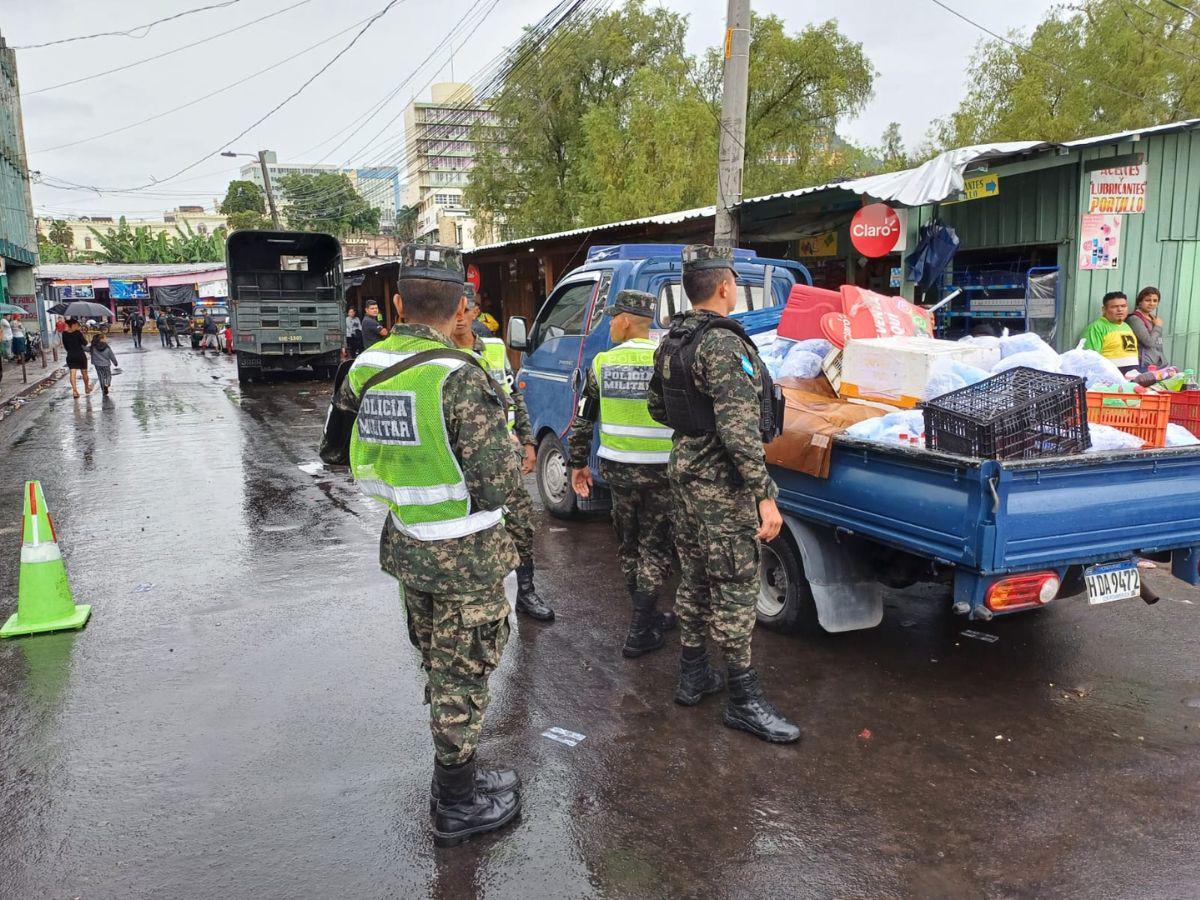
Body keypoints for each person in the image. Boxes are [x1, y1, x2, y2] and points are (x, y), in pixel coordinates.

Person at [321, 244, 523, 846]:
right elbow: (498, 486)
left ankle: (455, 778)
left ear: (396, 303)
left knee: (440, 663)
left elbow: (334, 453)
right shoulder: (460, 376)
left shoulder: (364, 367)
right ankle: (456, 806)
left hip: (408, 543)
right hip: (465, 556)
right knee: (464, 674)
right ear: (461, 307)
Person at [647, 245, 800, 745]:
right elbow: (738, 432)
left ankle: (693, 676)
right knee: (734, 584)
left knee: (694, 577)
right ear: (724, 287)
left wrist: (696, 432)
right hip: (721, 486)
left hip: (685, 476)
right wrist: (764, 496)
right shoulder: (723, 345)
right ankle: (743, 699)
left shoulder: (673, 341)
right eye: (734, 281)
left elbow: (657, 409)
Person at [568, 289, 676, 657]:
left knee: (630, 546)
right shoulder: (666, 360)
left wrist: (578, 464)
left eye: (613, 317)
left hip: (618, 472)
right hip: (662, 472)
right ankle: (642, 626)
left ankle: (643, 621)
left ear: (627, 320)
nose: (610, 324)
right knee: (655, 548)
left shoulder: (602, 363)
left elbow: (584, 419)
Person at [452, 284, 554, 622]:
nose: (460, 318)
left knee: (522, 525)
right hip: (459, 462)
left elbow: (514, 397)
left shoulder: (493, 349)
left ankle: (526, 593)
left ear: (475, 312)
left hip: (503, 457)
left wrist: (528, 443)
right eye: (455, 310)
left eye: (466, 310)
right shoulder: (437, 353)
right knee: (470, 532)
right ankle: (473, 599)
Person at [1082, 291, 1140, 373]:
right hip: (1109, 378)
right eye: (1114, 307)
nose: (1120, 309)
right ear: (1104, 309)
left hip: (1131, 376)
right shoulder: (1096, 328)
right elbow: (1090, 359)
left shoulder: (1126, 327)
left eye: (1123, 306)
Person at [1127, 286, 1166, 369]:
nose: (1151, 303)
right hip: (1144, 364)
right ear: (1139, 302)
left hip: (1158, 364)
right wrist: (1158, 326)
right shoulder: (1135, 319)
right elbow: (1149, 342)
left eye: (1155, 301)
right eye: (1147, 300)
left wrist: (1164, 362)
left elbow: (1158, 344)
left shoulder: (1154, 318)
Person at [61, 318, 92, 398]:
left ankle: (74, 391)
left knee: (72, 373)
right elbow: (85, 343)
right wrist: (82, 335)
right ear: (73, 325)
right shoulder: (78, 333)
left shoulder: (64, 334)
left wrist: (70, 351)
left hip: (70, 355)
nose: (78, 327)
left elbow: (66, 346)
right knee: (84, 372)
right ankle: (86, 388)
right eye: (77, 325)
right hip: (80, 355)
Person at [88, 332, 119, 397]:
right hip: (106, 364)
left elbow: (86, 349)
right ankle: (107, 384)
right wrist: (115, 362)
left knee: (101, 376)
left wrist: (79, 345)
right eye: (105, 338)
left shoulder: (93, 347)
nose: (106, 339)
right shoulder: (107, 347)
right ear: (101, 339)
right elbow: (111, 355)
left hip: (97, 365)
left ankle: (103, 389)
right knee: (108, 375)